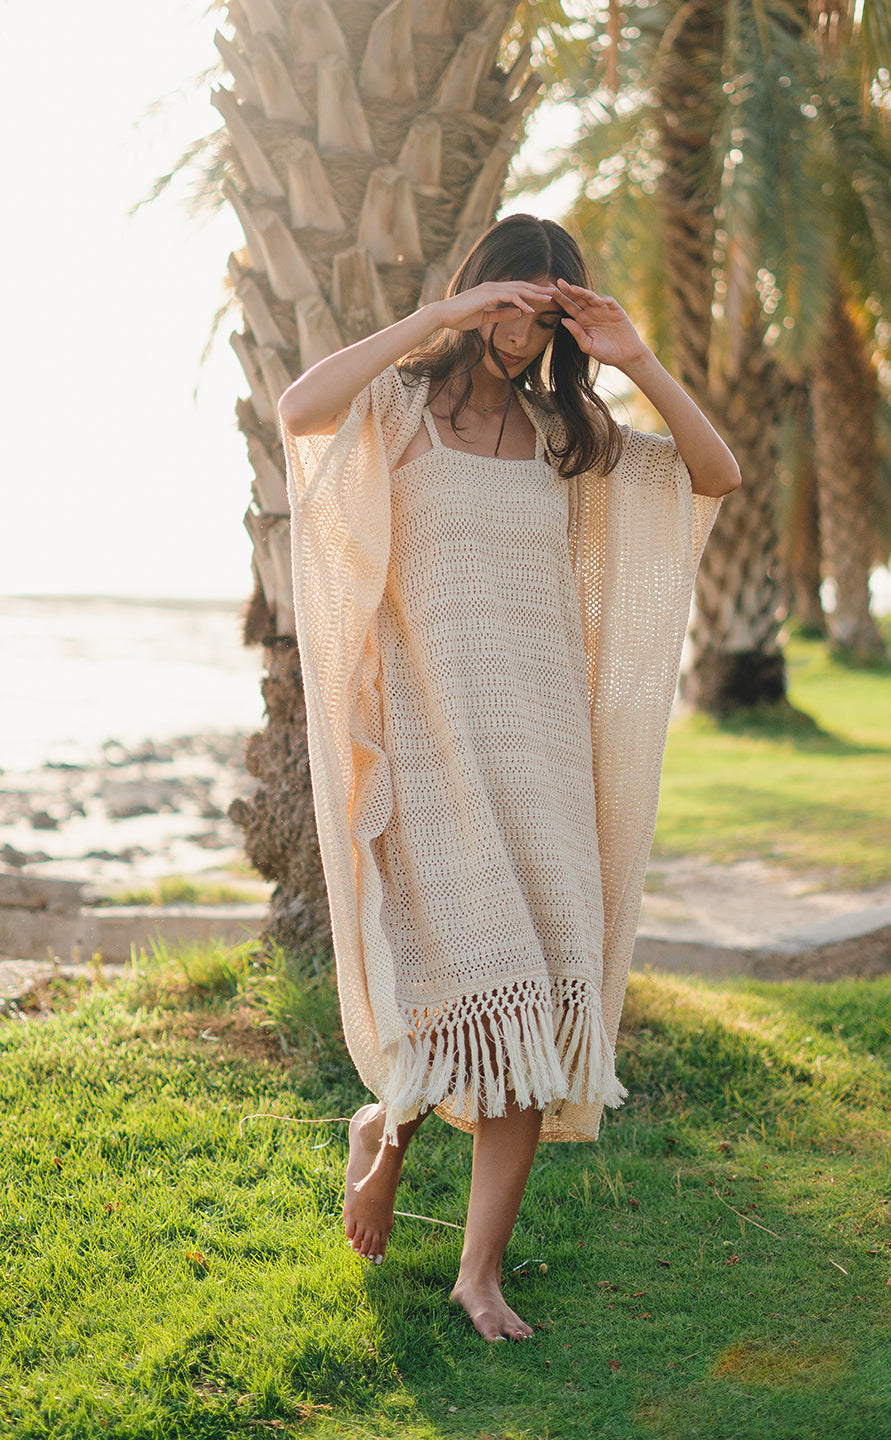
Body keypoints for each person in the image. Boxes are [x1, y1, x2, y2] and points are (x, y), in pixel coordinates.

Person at [278, 213, 740, 1343]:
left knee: (534, 1003)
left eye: (543, 320)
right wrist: (436, 319)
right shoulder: (396, 416)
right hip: (433, 748)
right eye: (504, 308)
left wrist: (632, 356)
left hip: (542, 755)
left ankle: (477, 1273)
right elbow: (298, 412)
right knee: (453, 988)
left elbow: (714, 476)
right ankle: (382, 1131)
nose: (519, 338)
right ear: (472, 298)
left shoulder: (566, 434)